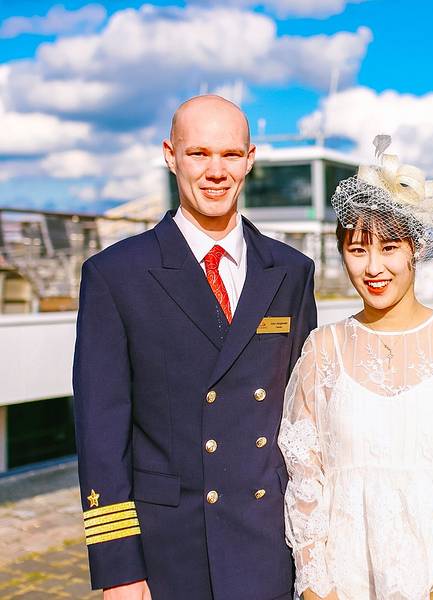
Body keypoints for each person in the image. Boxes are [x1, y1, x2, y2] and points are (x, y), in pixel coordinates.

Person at [73, 95, 317, 599]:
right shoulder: (116, 275)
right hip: (169, 550)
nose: (216, 171)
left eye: (230, 155)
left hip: (269, 545)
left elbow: (305, 419)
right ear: (171, 156)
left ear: (250, 159)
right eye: (199, 153)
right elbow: (101, 434)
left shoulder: (292, 272)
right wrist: (119, 569)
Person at [278, 142, 433, 600]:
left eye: (389, 248)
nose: (374, 267)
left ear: (415, 249)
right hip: (346, 577)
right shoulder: (322, 349)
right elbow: (304, 477)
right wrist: (315, 583)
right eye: (357, 249)